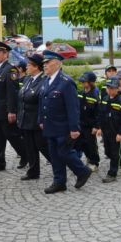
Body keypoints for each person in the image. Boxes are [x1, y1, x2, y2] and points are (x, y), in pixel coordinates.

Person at [38, 50, 92, 194]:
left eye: (47, 62)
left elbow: (73, 108)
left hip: (63, 126)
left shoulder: (66, 82)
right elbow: (42, 102)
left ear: (57, 63)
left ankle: (83, 171)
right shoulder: (46, 80)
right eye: (44, 63)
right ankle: (59, 182)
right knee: (54, 155)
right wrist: (40, 119)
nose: (45, 65)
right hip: (49, 125)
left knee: (64, 152)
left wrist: (74, 128)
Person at [0, 41, 26, 173]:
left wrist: (12, 111)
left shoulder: (11, 69)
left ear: (6, 54)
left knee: (12, 135)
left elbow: (12, 93)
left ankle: (25, 155)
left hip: (5, 110)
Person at [17, 54, 49, 180]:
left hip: (37, 120)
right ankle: (33, 171)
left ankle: (61, 165)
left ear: (36, 67)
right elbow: (21, 98)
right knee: (30, 147)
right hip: (26, 119)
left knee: (43, 146)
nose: (27, 66)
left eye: (29, 64)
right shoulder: (28, 79)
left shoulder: (43, 81)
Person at [96, 76, 121, 183]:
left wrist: (120, 133)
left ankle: (112, 174)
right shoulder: (105, 99)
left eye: (112, 88)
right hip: (106, 132)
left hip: (116, 132)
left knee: (115, 153)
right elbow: (101, 115)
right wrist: (99, 128)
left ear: (117, 89)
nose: (110, 90)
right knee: (108, 152)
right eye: (108, 88)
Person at [77, 71, 101, 171]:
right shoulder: (81, 93)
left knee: (91, 144)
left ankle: (94, 162)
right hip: (81, 124)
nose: (82, 83)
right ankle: (88, 157)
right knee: (82, 143)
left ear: (90, 82)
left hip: (90, 126)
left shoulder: (95, 95)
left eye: (84, 82)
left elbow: (98, 113)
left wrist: (96, 126)